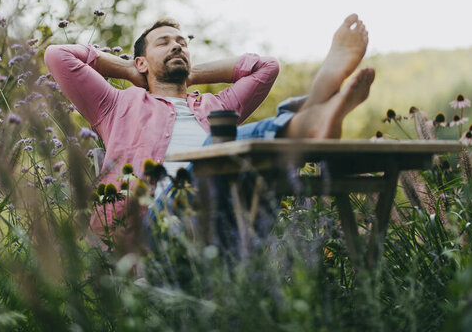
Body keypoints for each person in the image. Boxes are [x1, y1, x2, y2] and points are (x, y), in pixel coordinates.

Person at [44, 14, 374, 242]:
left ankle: (309, 122)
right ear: (141, 62)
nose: (177, 46)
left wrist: (190, 73)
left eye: (181, 43)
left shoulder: (215, 106)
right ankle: (309, 116)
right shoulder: (117, 105)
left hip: (220, 220)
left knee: (234, 154)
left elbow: (265, 68)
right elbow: (58, 56)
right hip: (149, 226)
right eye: (163, 43)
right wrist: (130, 70)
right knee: (219, 149)